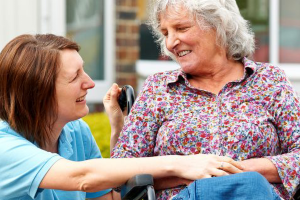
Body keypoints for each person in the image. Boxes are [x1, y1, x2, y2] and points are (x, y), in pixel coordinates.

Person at [0, 34, 245, 200]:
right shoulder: (5, 148)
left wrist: (119, 130)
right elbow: (82, 177)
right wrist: (181, 162)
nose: (90, 83)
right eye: (74, 77)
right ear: (37, 92)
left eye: (84, 70)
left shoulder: (75, 131)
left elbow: (111, 196)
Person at [109, 0, 300, 200]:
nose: (170, 43)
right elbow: (121, 171)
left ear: (218, 25)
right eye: (166, 33)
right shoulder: (158, 88)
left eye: (181, 28)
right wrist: (184, 171)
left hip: (258, 194)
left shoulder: (269, 80)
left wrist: (240, 171)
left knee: (250, 185)